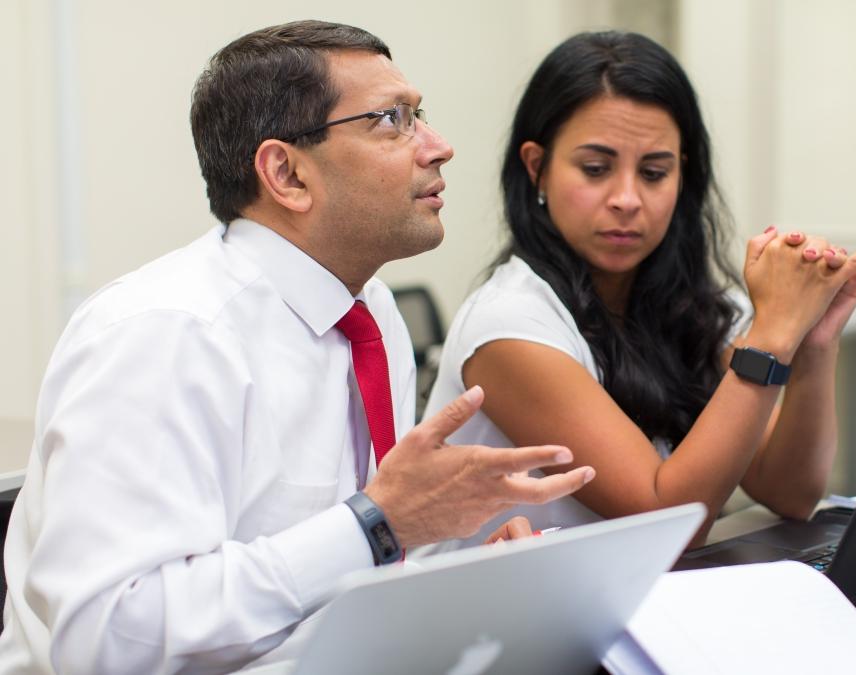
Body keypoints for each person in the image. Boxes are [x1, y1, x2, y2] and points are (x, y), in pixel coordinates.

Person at [0, 20, 594, 674]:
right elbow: (108, 639)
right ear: (286, 172)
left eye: (419, 114)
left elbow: (345, 570)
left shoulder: (371, 311)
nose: (439, 146)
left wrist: (462, 575)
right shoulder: (162, 332)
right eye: (392, 120)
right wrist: (376, 521)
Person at [422, 31, 856, 551]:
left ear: (682, 175)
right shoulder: (509, 323)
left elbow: (792, 494)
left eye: (654, 172)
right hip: (497, 623)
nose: (626, 199)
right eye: (595, 169)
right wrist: (772, 336)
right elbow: (667, 520)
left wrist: (816, 341)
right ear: (538, 168)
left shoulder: (694, 305)